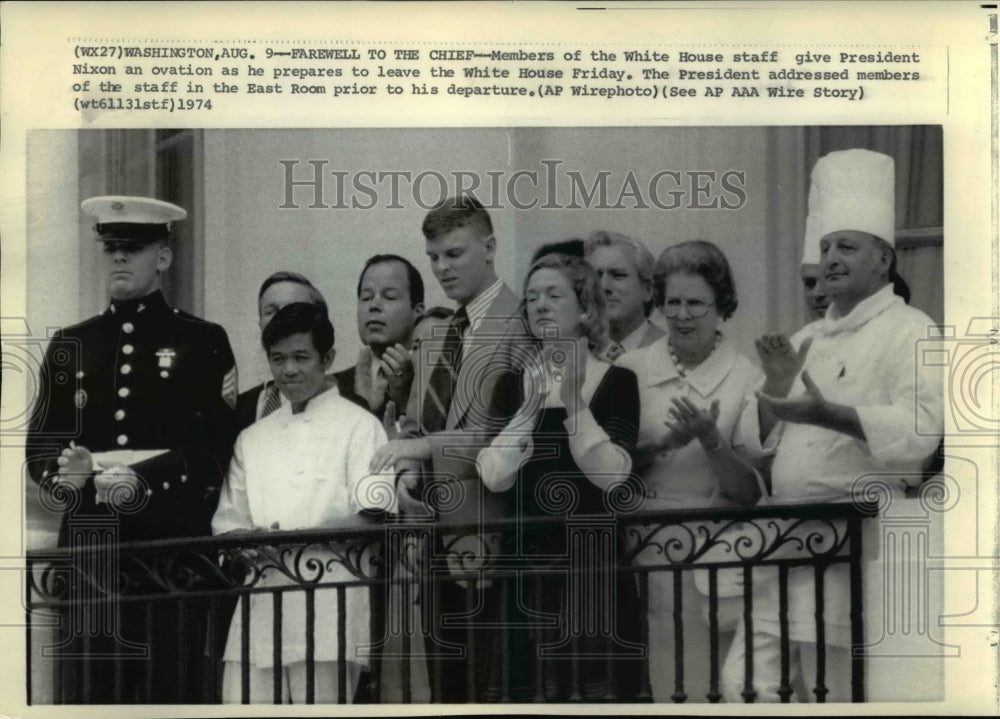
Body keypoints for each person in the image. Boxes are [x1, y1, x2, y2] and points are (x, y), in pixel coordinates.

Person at [723, 149, 943, 702]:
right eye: (825, 247)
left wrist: (825, 413)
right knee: (742, 687)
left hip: (857, 550)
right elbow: (760, 441)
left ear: (884, 259)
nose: (831, 259)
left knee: (838, 695)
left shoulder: (912, 330)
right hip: (787, 545)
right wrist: (775, 393)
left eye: (846, 246)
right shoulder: (807, 338)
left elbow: (922, 431)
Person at [25, 195, 238, 703]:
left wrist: (145, 478)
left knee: (171, 690)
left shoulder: (201, 340)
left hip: (168, 550)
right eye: (111, 247)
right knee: (89, 694)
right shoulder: (69, 343)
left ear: (162, 257)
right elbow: (40, 446)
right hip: (91, 551)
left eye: (134, 247)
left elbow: (214, 449)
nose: (119, 257)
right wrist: (63, 477)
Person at [368, 195, 530, 702]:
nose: (441, 268)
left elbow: (509, 432)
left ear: (490, 248)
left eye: (454, 254)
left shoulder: (522, 322)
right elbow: (416, 428)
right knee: (447, 692)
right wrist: (409, 477)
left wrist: (423, 451)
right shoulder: (438, 332)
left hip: (495, 534)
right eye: (434, 257)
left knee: (490, 690)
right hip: (434, 541)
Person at [476, 253, 644, 701]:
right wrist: (531, 407)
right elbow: (493, 476)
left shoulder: (618, 380)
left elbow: (614, 478)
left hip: (591, 569)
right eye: (532, 298)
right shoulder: (512, 384)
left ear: (586, 308)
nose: (540, 305)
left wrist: (573, 403)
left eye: (554, 295)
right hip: (525, 570)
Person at [212, 302, 391, 704]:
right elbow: (227, 524)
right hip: (259, 608)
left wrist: (292, 540)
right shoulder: (252, 438)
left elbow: (373, 519)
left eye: (300, 357)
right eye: (278, 359)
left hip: (330, 608)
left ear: (327, 358)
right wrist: (249, 540)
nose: (288, 370)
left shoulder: (360, 427)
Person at [616, 240, 764, 702]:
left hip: (709, 564)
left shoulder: (746, 377)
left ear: (722, 306)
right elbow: (604, 467)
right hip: (629, 554)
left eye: (696, 303)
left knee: (697, 688)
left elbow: (751, 493)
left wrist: (710, 438)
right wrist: (662, 444)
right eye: (672, 302)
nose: (682, 315)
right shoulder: (630, 369)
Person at [236, 271, 364, 430]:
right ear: (260, 324)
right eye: (271, 311)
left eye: (294, 308)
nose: (281, 318)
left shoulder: (352, 405)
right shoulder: (238, 407)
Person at [334, 254, 425, 428]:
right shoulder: (331, 388)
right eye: (366, 297)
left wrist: (405, 400)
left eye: (389, 297)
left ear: (417, 311)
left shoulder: (437, 383)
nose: (373, 305)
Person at [584, 230, 665, 360]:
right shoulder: (575, 355)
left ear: (648, 290)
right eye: (595, 276)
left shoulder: (673, 352)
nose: (604, 286)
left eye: (618, 275)